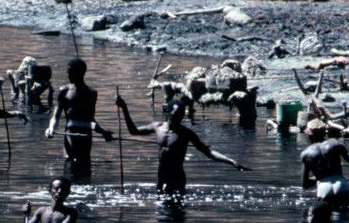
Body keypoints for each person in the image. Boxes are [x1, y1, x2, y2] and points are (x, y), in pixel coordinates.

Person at [114, 92, 247, 194]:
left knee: (175, 213)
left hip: (177, 177)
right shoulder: (157, 126)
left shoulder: (186, 133)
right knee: (161, 212)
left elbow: (208, 152)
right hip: (161, 175)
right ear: (168, 113)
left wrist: (231, 161)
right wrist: (124, 108)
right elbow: (133, 131)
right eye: (175, 115)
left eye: (180, 116)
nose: (178, 118)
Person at [44, 58, 115, 179]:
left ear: (80, 73)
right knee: (70, 163)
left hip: (86, 135)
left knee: (84, 165)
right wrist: (51, 128)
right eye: (68, 72)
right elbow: (56, 116)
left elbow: (91, 119)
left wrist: (103, 132)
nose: (68, 75)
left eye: (70, 72)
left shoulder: (91, 93)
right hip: (70, 134)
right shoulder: (64, 91)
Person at [300, 121, 349, 218]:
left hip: (323, 188)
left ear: (309, 135)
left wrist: (319, 176)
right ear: (325, 133)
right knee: (343, 222)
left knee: (323, 221)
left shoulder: (306, 154)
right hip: (340, 185)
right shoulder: (336, 144)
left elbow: (305, 184)